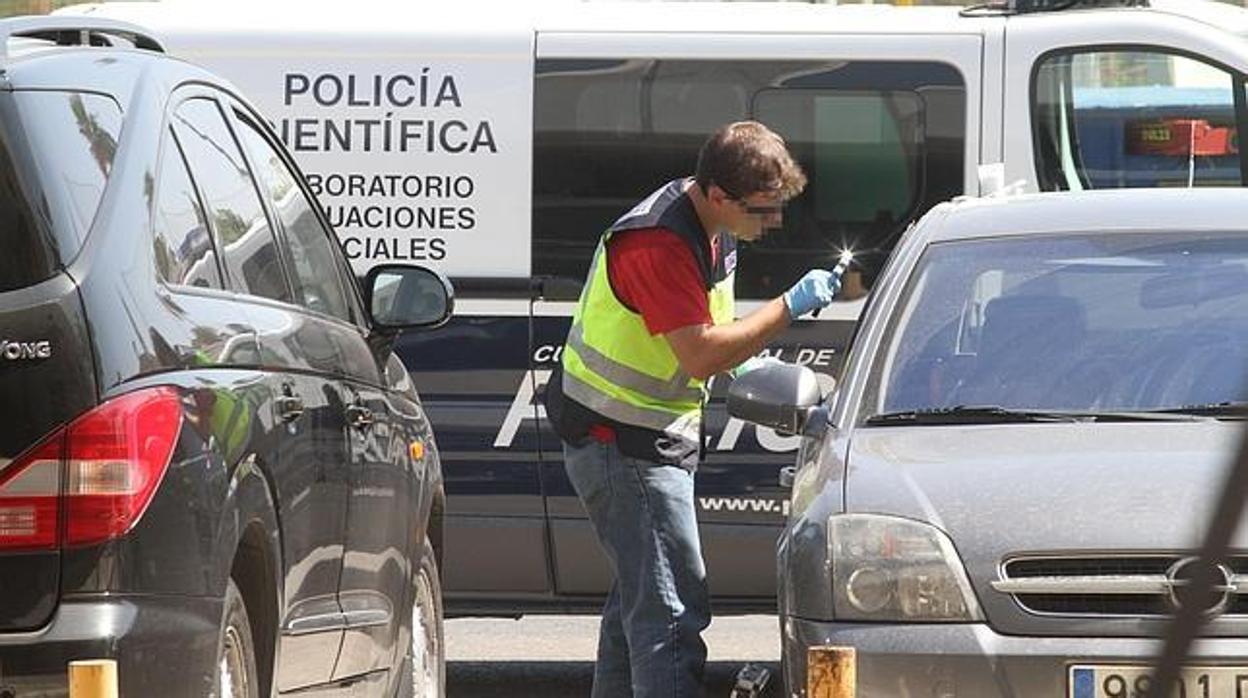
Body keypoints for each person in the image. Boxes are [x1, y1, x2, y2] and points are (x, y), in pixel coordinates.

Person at [544, 120, 840, 697]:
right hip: (621, 442)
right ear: (718, 195)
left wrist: (747, 361)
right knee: (672, 613)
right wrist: (787, 307)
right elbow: (701, 352)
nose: (773, 222)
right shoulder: (657, 243)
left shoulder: (714, 223)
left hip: (640, 436)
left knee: (639, 604)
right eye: (762, 210)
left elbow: (712, 327)